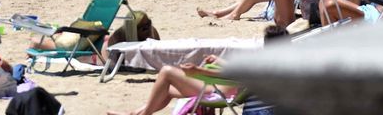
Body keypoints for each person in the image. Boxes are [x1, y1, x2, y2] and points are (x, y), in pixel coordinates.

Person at [106, 26, 289, 115]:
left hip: (218, 92)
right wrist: (219, 60)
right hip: (225, 88)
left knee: (167, 72)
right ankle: (136, 114)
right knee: (167, 90)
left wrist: (197, 71)